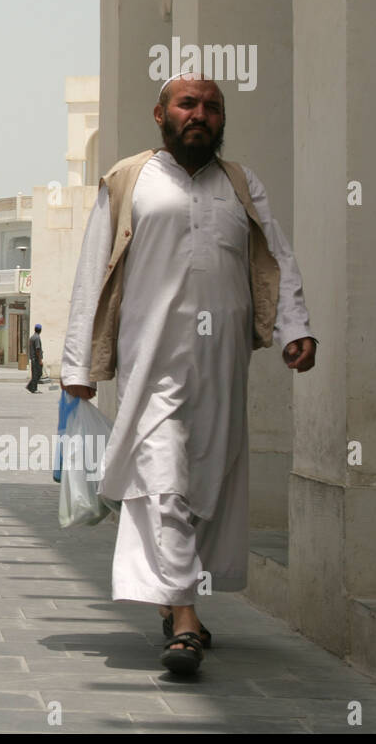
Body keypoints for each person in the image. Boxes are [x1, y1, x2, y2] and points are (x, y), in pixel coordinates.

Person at [62, 74, 316, 676]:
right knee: (164, 480)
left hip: (223, 366)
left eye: (211, 107)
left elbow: (275, 257)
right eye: (187, 105)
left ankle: (179, 601)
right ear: (160, 114)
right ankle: (182, 621)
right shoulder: (128, 180)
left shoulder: (240, 184)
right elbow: (92, 271)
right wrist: (79, 367)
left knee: (205, 482)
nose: (199, 115)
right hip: (153, 366)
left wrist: (295, 325)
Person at [26, 323, 44, 393]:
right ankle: (33, 388)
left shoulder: (32, 337)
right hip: (36, 359)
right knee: (38, 373)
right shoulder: (37, 338)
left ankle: (31, 387)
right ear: (40, 330)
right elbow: (37, 349)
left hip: (33, 358)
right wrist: (40, 360)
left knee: (35, 374)